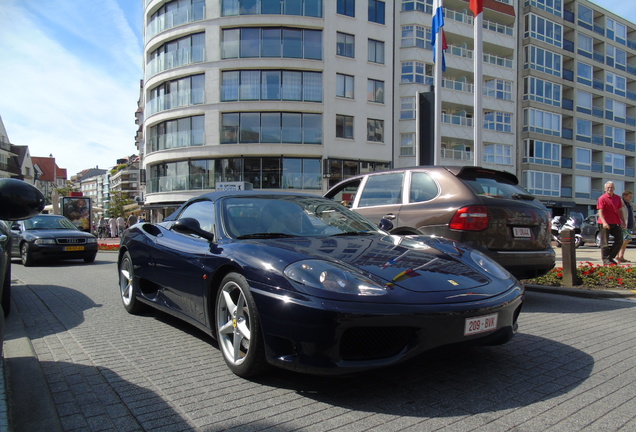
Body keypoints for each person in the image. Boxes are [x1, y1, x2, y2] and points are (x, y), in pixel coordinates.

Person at [597, 181, 625, 265]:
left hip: (615, 222)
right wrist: (604, 222)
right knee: (605, 243)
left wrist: (623, 221)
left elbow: (620, 210)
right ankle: (606, 260)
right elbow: (600, 212)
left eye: (611, 187)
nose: (610, 189)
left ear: (614, 188)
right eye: (608, 187)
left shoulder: (617, 198)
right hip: (604, 223)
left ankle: (610, 257)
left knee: (620, 240)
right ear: (605, 189)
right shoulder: (602, 198)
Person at [617, 190, 634, 263]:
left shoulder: (629, 204)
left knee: (627, 240)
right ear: (624, 196)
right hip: (623, 225)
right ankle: (617, 255)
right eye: (630, 196)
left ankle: (621, 256)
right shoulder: (621, 203)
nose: (631, 198)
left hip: (629, 225)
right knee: (624, 240)